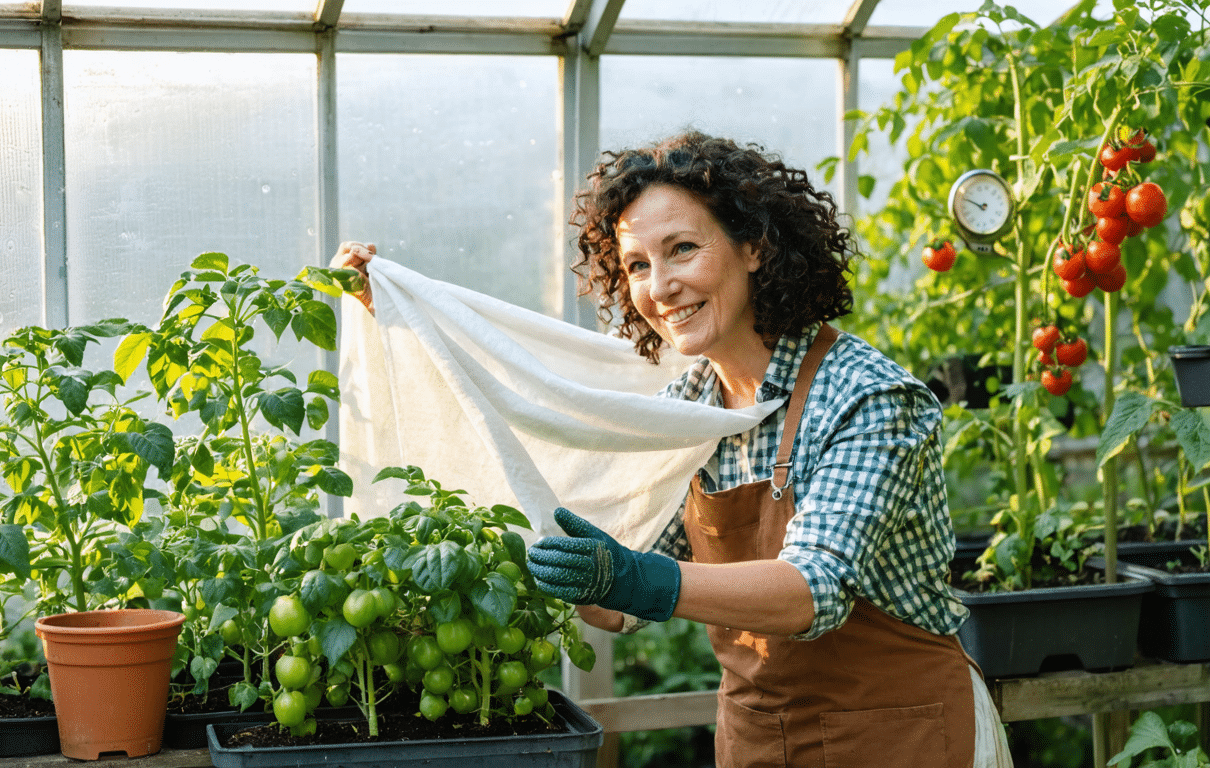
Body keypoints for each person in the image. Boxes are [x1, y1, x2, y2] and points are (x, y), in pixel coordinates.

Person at [333, 132, 1006, 768]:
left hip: (903, 729)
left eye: (682, 249)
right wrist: (393, 314)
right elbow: (620, 603)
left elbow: (811, 591)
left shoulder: (867, 396)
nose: (659, 287)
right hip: (758, 738)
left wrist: (631, 576)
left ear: (754, 247)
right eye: (636, 265)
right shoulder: (689, 409)